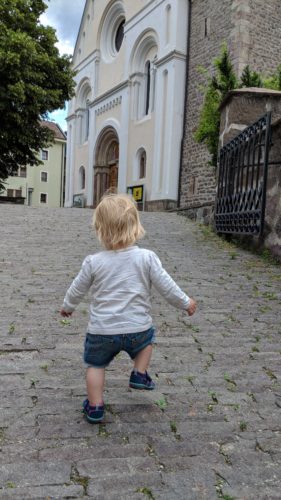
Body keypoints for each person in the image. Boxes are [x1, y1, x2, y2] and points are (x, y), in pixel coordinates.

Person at [60, 193, 196, 423]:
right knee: (148, 340)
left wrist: (68, 306)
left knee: (95, 365)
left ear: (100, 229)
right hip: (137, 330)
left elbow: (77, 289)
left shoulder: (94, 261)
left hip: (101, 332)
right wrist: (186, 302)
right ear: (135, 226)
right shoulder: (147, 257)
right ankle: (140, 373)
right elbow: (167, 286)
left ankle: (94, 406)